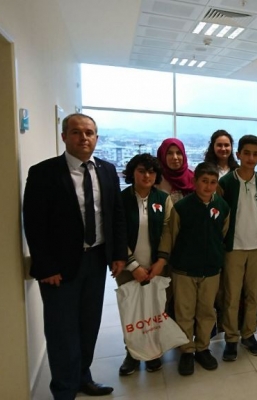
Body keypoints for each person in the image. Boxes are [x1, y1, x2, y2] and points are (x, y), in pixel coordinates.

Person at [23, 113, 127, 399]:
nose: (84, 138)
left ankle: (83, 377)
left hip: (96, 259)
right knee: (61, 330)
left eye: (89, 133)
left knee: (88, 324)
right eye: (76, 132)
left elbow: (116, 215)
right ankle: (64, 390)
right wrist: (45, 266)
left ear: (96, 137)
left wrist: (118, 254)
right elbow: (34, 222)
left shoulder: (107, 170)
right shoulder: (44, 172)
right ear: (64, 137)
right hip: (59, 266)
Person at [157, 162, 230, 376]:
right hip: (184, 270)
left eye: (213, 182)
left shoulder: (223, 207)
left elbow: (223, 234)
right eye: (204, 181)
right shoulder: (182, 207)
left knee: (206, 311)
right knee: (185, 312)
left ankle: (203, 347)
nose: (208, 186)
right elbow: (171, 235)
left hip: (211, 270)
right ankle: (187, 350)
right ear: (194, 181)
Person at [117, 153, 173, 376]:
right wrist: (133, 266)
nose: (147, 176)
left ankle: (153, 352)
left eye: (151, 172)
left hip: (157, 266)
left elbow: (168, 230)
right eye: (141, 171)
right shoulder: (121, 199)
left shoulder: (163, 198)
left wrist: (161, 261)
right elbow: (117, 234)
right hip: (127, 268)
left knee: (156, 310)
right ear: (133, 173)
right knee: (131, 311)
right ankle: (132, 353)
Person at [219, 135, 257, 361]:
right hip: (234, 248)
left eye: (255, 154)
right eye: (246, 153)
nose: (250, 158)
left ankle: (248, 334)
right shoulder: (226, 183)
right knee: (231, 295)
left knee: (253, 294)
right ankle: (231, 338)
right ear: (238, 154)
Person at [156, 138, 195, 203]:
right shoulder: (156, 180)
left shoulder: (194, 178)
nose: (175, 157)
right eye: (169, 153)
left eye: (179, 153)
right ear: (162, 156)